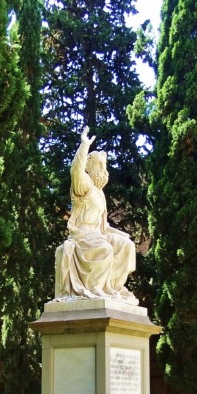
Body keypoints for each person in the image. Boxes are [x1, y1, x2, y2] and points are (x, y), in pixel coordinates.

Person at [54, 127, 138, 304]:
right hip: (83, 236)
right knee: (105, 249)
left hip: (98, 234)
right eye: (99, 165)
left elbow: (104, 226)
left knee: (126, 246)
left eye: (103, 166)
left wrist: (124, 236)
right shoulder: (84, 186)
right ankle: (96, 288)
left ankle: (113, 286)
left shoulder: (100, 194)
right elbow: (75, 171)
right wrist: (84, 145)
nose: (103, 169)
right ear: (89, 167)